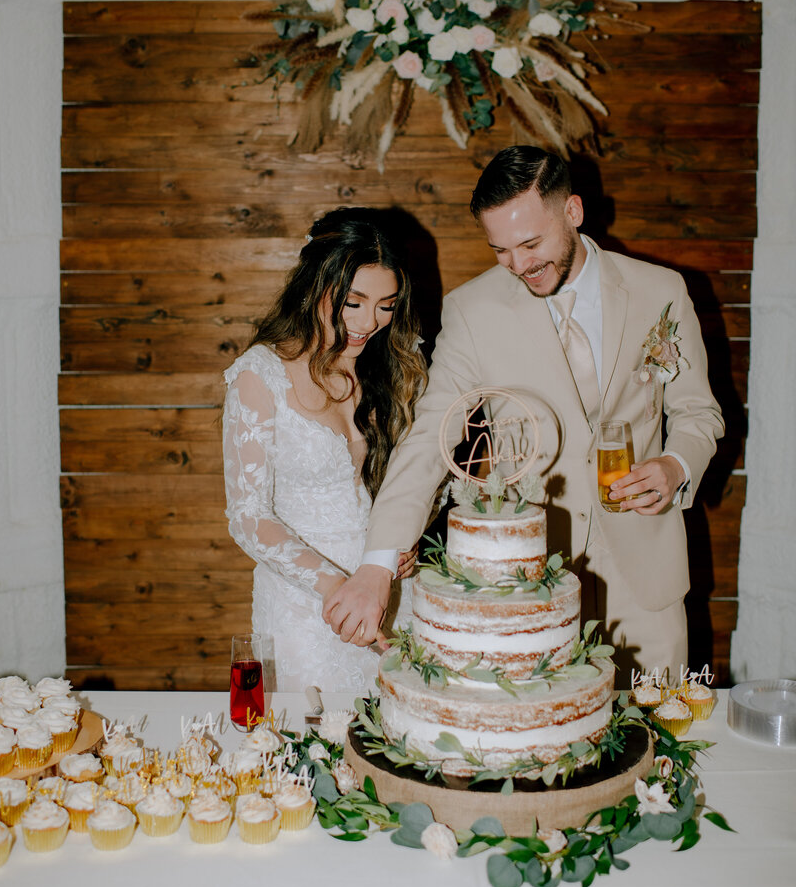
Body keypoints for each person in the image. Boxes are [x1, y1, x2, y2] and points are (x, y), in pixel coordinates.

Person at [323, 147, 725, 682]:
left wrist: (676, 465)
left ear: (573, 212)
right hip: (528, 584)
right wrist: (377, 562)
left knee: (656, 751)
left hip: (647, 581)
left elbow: (699, 413)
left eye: (532, 243)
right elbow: (428, 437)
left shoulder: (661, 291)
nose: (520, 265)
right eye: (501, 250)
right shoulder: (473, 310)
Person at [222, 207, 426, 692]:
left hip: (395, 595)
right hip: (309, 606)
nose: (369, 322)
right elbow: (248, 516)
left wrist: (407, 539)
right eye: (352, 302)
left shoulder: (395, 366)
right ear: (316, 285)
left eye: (386, 304)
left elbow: (418, 475)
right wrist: (340, 588)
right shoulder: (260, 375)